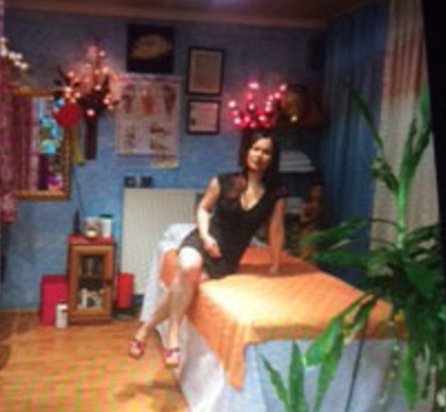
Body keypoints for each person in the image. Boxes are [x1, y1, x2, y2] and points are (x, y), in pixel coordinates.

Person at [129, 130, 287, 368]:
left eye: (266, 152)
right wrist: (205, 236)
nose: (259, 156)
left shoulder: (276, 192)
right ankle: (173, 334)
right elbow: (203, 209)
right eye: (255, 149)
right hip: (203, 240)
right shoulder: (224, 180)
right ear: (246, 151)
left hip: (227, 257)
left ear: (273, 158)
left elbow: (276, 229)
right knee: (188, 266)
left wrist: (275, 264)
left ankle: (145, 329)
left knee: (187, 283)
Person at [296, 181, 328, 260]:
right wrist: (315, 217)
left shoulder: (322, 206)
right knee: (306, 256)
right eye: (315, 190)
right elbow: (302, 220)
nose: (318, 193)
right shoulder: (307, 205)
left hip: (317, 234)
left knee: (315, 258)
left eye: (320, 191)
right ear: (310, 191)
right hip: (307, 233)